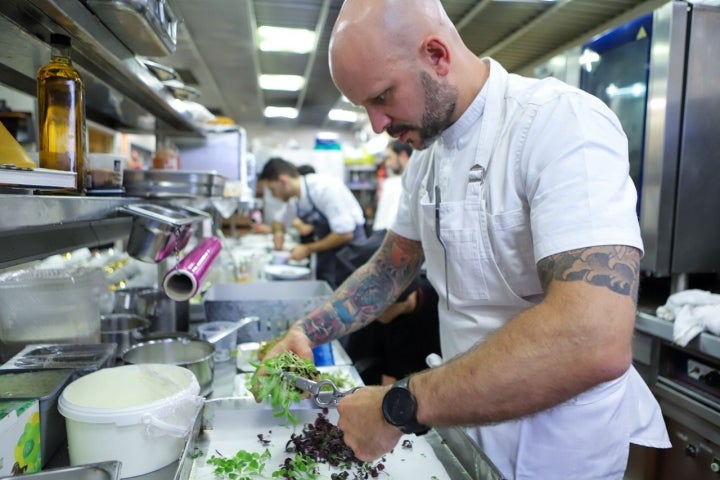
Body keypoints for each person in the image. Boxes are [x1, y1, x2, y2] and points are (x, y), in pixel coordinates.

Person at [261, 1, 671, 478]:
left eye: (382, 97)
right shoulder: (427, 161)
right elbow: (388, 270)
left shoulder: (560, 123)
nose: (376, 125)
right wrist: (305, 331)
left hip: (557, 451)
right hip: (462, 427)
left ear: (436, 54)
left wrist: (400, 404)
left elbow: (593, 337)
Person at [258, 157, 366, 288]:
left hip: (350, 256)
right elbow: (278, 220)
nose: (273, 195)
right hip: (328, 255)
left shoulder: (325, 188)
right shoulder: (295, 199)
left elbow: (345, 234)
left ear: (283, 180)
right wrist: (278, 235)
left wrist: (307, 249)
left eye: (272, 189)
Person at [372, 139, 412, 231]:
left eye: (389, 158)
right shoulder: (392, 183)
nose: (387, 164)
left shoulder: (409, 183)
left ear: (403, 155)